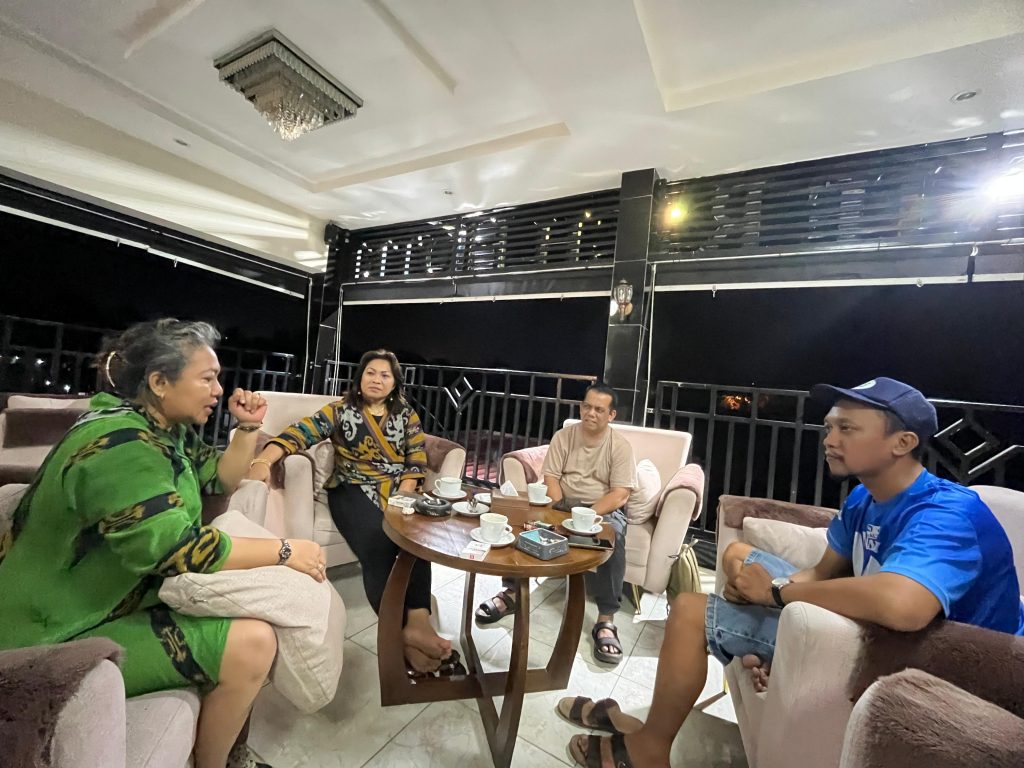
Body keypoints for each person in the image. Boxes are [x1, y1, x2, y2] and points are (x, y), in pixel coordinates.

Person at [559, 377, 1024, 768]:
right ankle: (735, 657)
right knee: (738, 553)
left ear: (902, 443)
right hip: (871, 623)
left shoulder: (947, 513)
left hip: (936, 664)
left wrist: (776, 597)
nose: (830, 440)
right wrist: (763, 589)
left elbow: (903, 606)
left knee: (689, 610)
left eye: (847, 428)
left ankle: (649, 748)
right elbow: (820, 573)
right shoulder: (865, 498)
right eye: (829, 427)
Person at [0, 319, 328, 768]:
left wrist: (248, 427)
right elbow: (176, 550)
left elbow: (219, 478)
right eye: (207, 378)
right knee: (253, 643)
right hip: (47, 638)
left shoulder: (160, 428)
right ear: (159, 382)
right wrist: (287, 551)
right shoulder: (121, 447)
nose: (219, 390)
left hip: (112, 598)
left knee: (252, 611)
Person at [248, 349, 458, 676]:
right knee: (379, 543)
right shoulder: (339, 411)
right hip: (350, 487)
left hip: (396, 490)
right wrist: (263, 460)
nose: (376, 379)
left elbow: (416, 459)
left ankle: (419, 623)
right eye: (370, 372)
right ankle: (398, 635)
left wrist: (405, 496)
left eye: (385, 375)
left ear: (395, 383)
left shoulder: (407, 416)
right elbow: (298, 434)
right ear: (360, 378)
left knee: (415, 538)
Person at [476, 383, 637, 665]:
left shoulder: (620, 447)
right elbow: (551, 477)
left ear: (611, 415)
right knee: (523, 524)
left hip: (601, 508)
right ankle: (511, 592)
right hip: (562, 502)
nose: (591, 413)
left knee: (614, 538)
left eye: (599, 410)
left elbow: (620, 494)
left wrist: (584, 517)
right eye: (587, 406)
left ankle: (606, 619)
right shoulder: (565, 436)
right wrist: (558, 514)